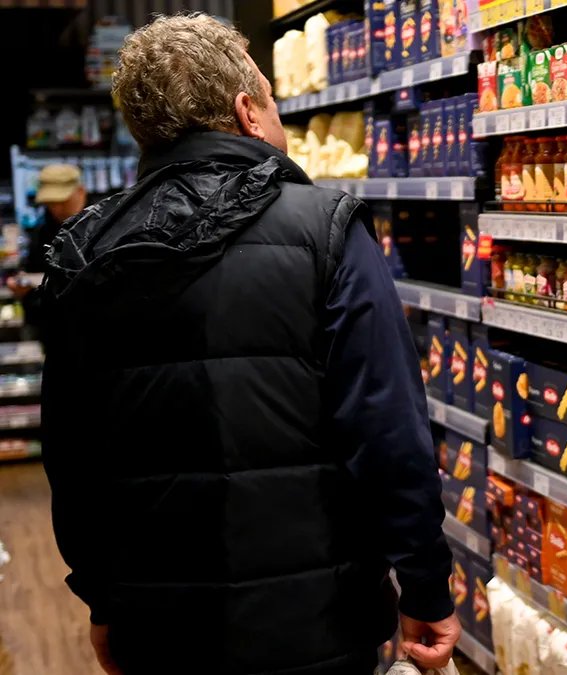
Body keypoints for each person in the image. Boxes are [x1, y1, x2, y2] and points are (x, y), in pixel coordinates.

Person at [38, 14, 458, 675]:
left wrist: (103, 598)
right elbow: (389, 434)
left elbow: (72, 458)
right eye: (271, 96)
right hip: (319, 627)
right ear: (247, 114)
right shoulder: (327, 232)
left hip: (160, 629)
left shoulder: (84, 256)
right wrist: (426, 582)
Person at [7, 164, 87, 329]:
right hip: (55, 329)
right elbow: (31, 270)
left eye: (62, 201)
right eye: (50, 203)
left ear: (80, 191)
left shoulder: (106, 223)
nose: (56, 208)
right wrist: (23, 288)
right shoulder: (44, 230)